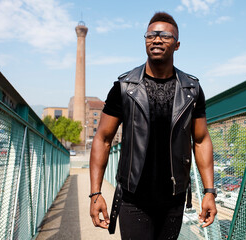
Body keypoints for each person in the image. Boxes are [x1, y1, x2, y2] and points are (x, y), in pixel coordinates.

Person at [89, 12, 217, 240]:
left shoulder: (192, 90)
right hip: (133, 198)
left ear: (177, 45)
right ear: (145, 40)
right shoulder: (124, 88)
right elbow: (103, 139)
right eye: (151, 35)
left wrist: (209, 192)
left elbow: (201, 140)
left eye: (165, 36)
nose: (156, 40)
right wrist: (96, 193)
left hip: (174, 199)